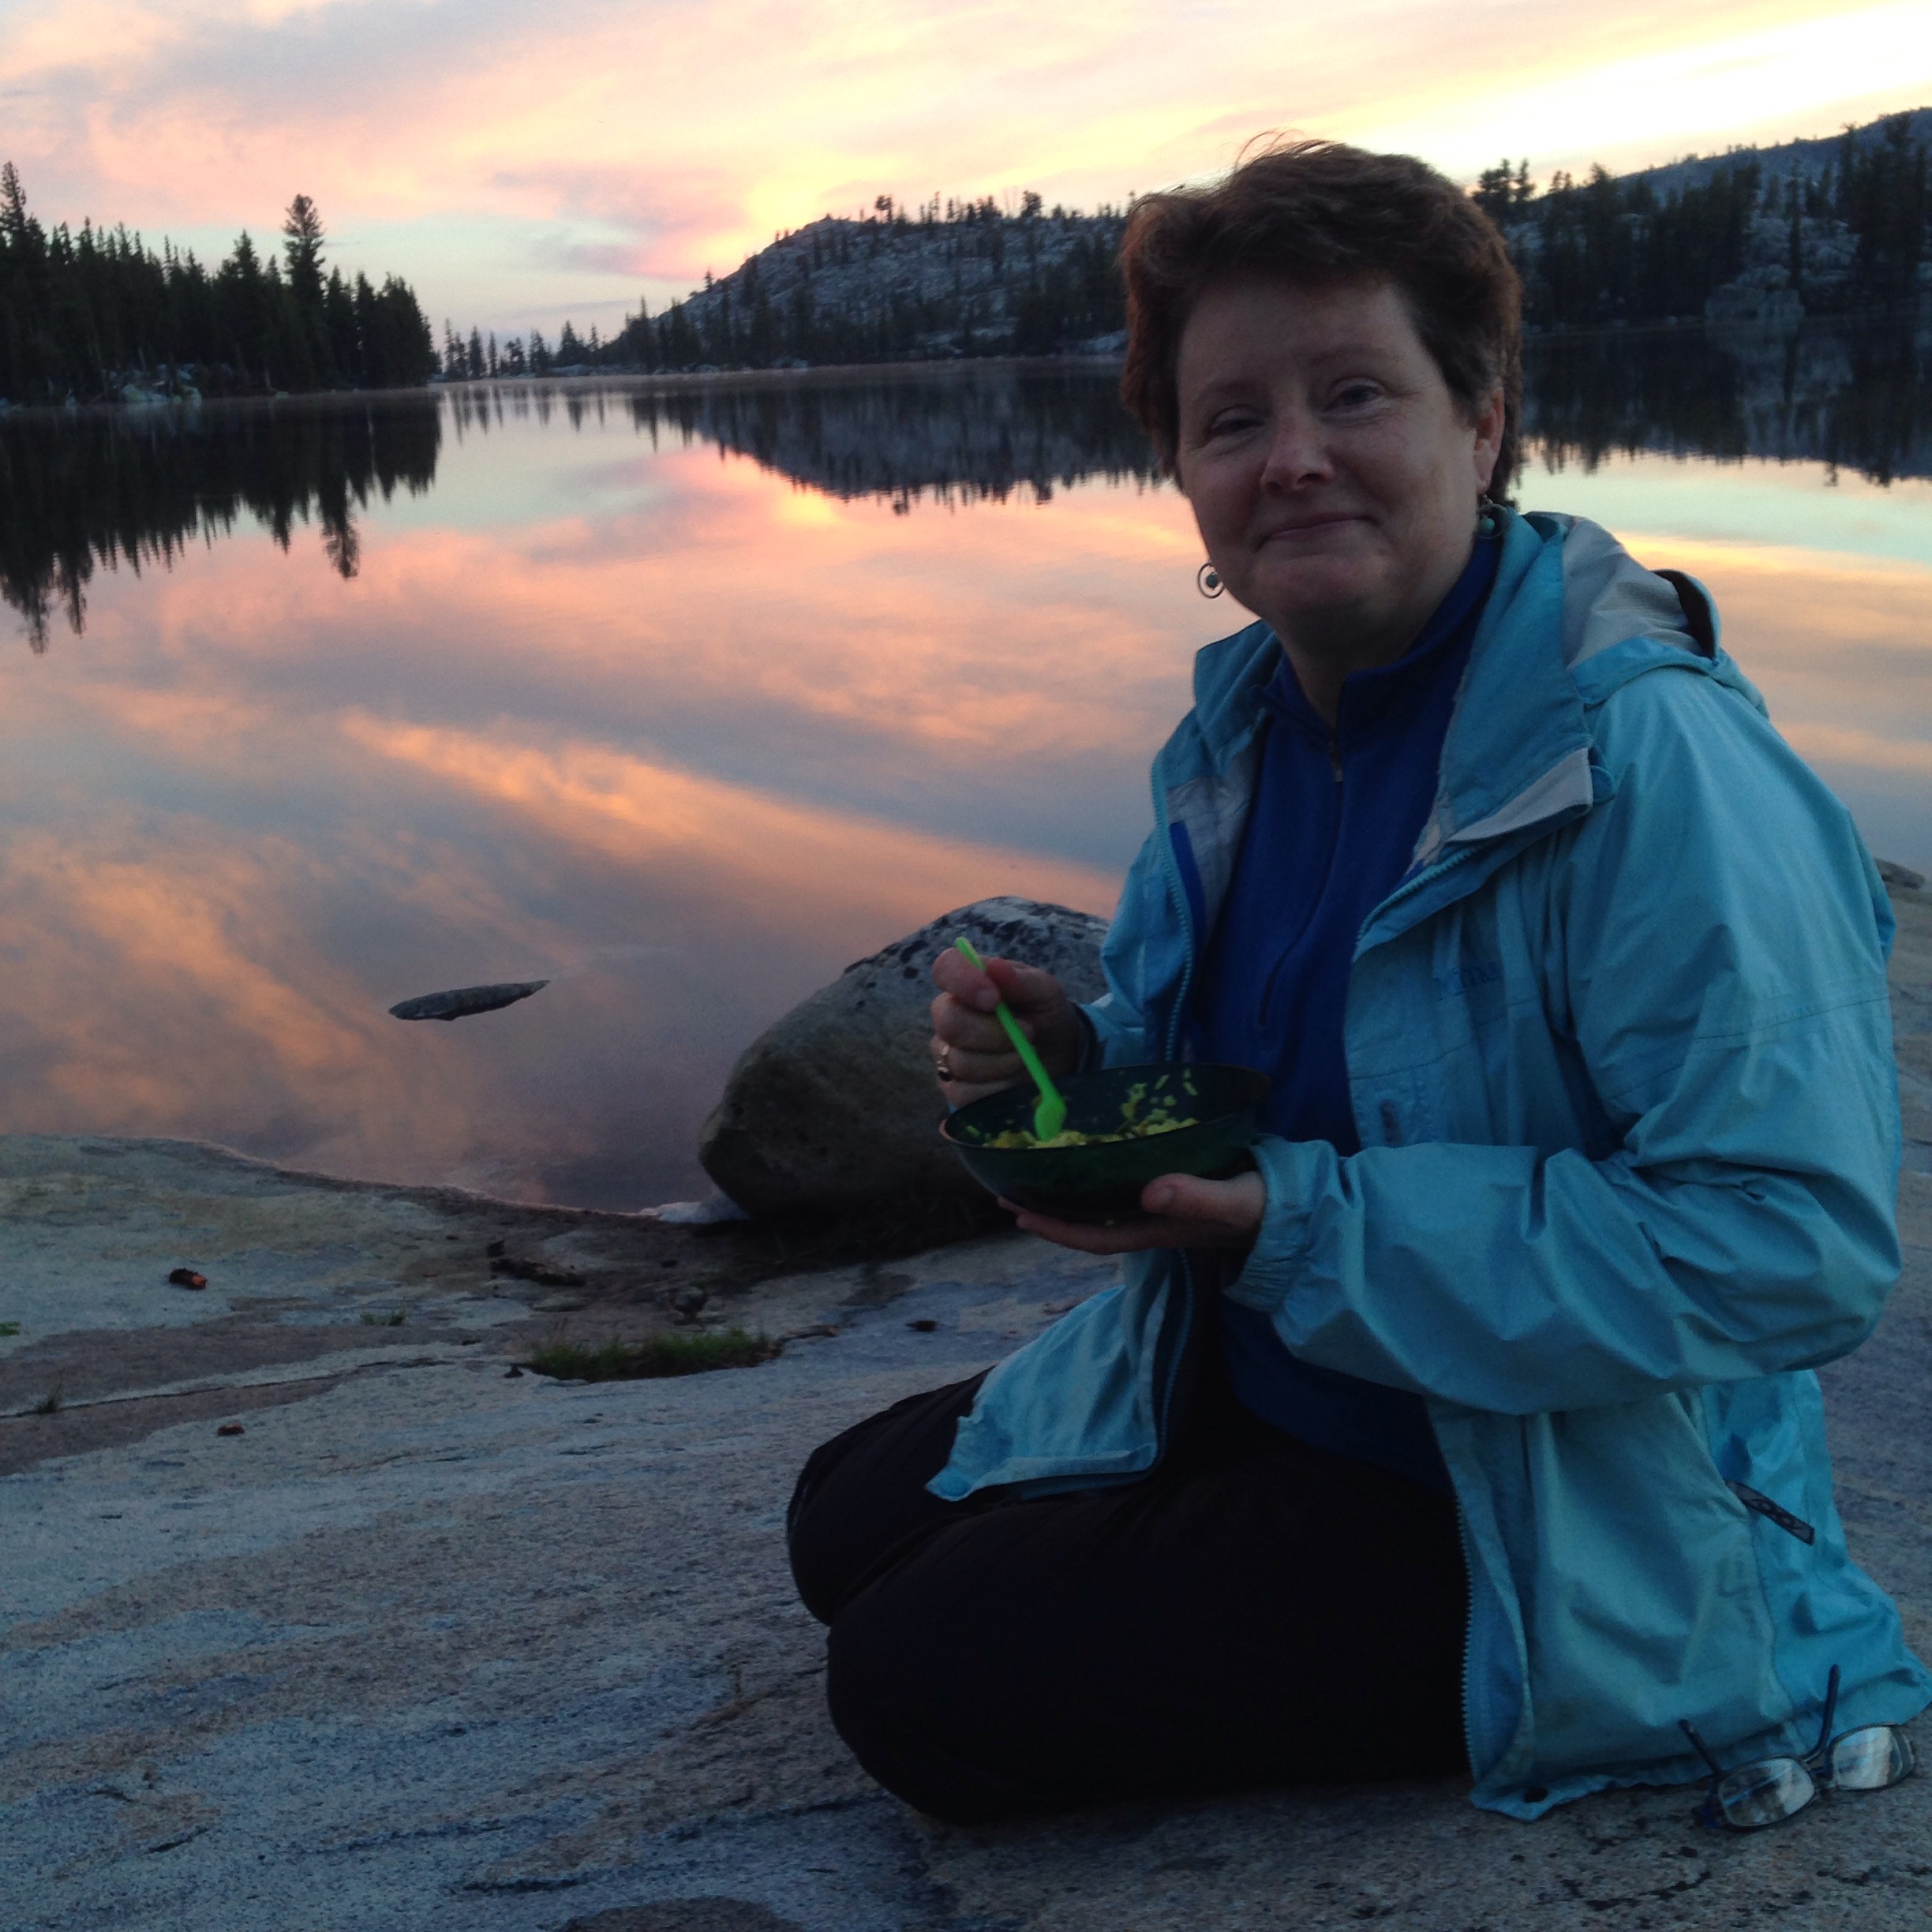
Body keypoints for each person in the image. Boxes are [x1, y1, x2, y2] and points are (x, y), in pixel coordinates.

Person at [785, 140, 1929, 1826]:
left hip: (1524, 1493)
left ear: (1482, 420)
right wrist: (1077, 1059)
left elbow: (1787, 1247)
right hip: (1271, 1369)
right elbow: (1285, 1067)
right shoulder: (1249, 728)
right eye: (1232, 418)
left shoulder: (1648, 759)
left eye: (1354, 395)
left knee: (915, 1678)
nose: (1294, 458)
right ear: (1184, 471)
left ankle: (1636, 1680)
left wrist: (1294, 1229)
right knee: (838, 1518)